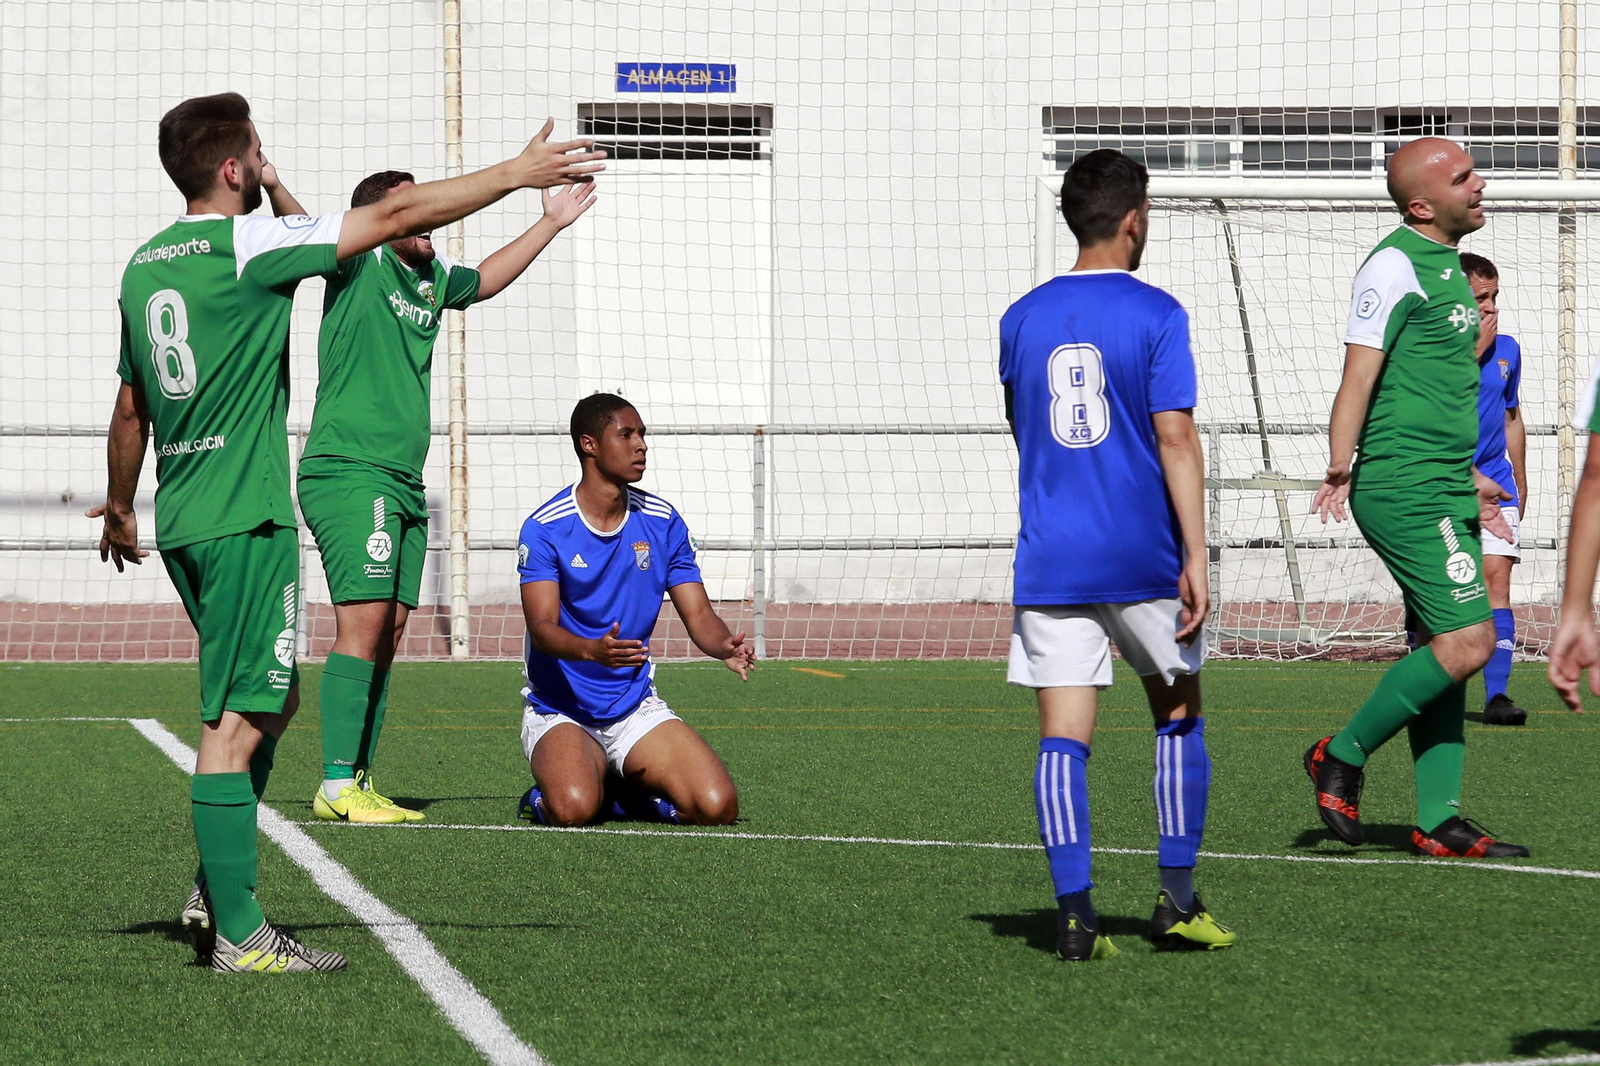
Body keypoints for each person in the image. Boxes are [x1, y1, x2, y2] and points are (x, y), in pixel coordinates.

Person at [91, 91, 604, 972]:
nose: (263, 162)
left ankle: (220, 889)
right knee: (236, 721)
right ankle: (242, 934)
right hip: (245, 517)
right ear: (231, 167)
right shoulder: (247, 246)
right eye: (256, 151)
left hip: (185, 516)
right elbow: (398, 211)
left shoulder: (144, 266)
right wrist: (516, 175)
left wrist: (123, 501)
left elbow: (133, 406)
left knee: (270, 699)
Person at [285, 171, 597, 825]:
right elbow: (306, 224)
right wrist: (274, 181)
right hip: (350, 471)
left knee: (390, 632)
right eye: (410, 204)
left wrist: (551, 222)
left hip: (401, 480)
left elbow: (484, 280)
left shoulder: (432, 277)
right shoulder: (358, 261)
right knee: (363, 627)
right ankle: (337, 783)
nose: (428, 214)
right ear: (380, 220)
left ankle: (358, 778)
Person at [999, 148, 1236, 962]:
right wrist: (1197, 554)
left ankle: (1074, 916)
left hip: (1052, 559)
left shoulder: (1020, 318)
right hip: (1144, 557)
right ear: (1135, 219)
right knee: (1177, 715)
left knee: (1064, 736)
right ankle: (1174, 901)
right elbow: (1176, 437)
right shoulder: (1158, 314)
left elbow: (1025, 428)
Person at [1306, 137, 1528, 860]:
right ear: (1422, 204)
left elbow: (1433, 387)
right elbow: (1359, 375)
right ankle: (1340, 752)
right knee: (1471, 640)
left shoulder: (1447, 270)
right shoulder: (1394, 264)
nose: (1481, 182)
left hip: (1443, 481)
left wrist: (1470, 475)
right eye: (1465, 176)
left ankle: (1439, 819)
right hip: (1404, 486)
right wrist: (1340, 465)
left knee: (1448, 645)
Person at [514, 393, 752, 829]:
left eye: (642, 434)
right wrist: (592, 650)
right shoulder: (545, 527)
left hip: (634, 708)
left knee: (717, 806)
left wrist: (724, 645)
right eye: (626, 434)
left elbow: (699, 615)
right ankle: (544, 796)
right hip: (561, 709)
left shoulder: (663, 521)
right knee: (573, 809)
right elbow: (542, 627)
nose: (641, 444)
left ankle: (625, 797)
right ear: (589, 444)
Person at [1458, 252, 1529, 725]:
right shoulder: (1431, 353)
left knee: (1496, 581)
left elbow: (1511, 416)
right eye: (1480, 298)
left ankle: (1497, 694)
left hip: (1497, 485)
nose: (1490, 307)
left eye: (1495, 297)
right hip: (1443, 481)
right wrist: (1469, 353)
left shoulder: (1508, 350)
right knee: (1442, 594)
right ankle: (1434, 691)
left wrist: (1520, 476)